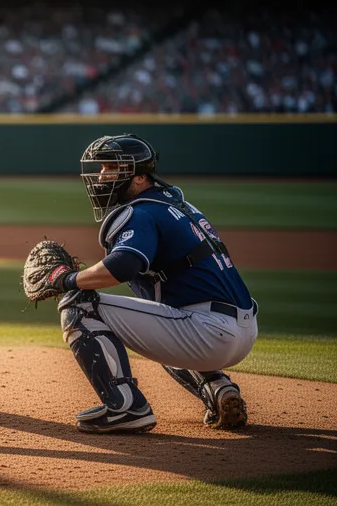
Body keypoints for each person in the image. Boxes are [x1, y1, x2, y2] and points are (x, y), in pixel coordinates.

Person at [51, 134, 256, 433]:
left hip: (208, 331)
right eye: (103, 168)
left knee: (77, 303)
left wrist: (66, 280)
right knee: (161, 315)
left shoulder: (140, 211)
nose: (101, 176)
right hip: (241, 328)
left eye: (111, 169)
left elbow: (123, 266)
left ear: (139, 178)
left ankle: (125, 407)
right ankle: (217, 386)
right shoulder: (176, 206)